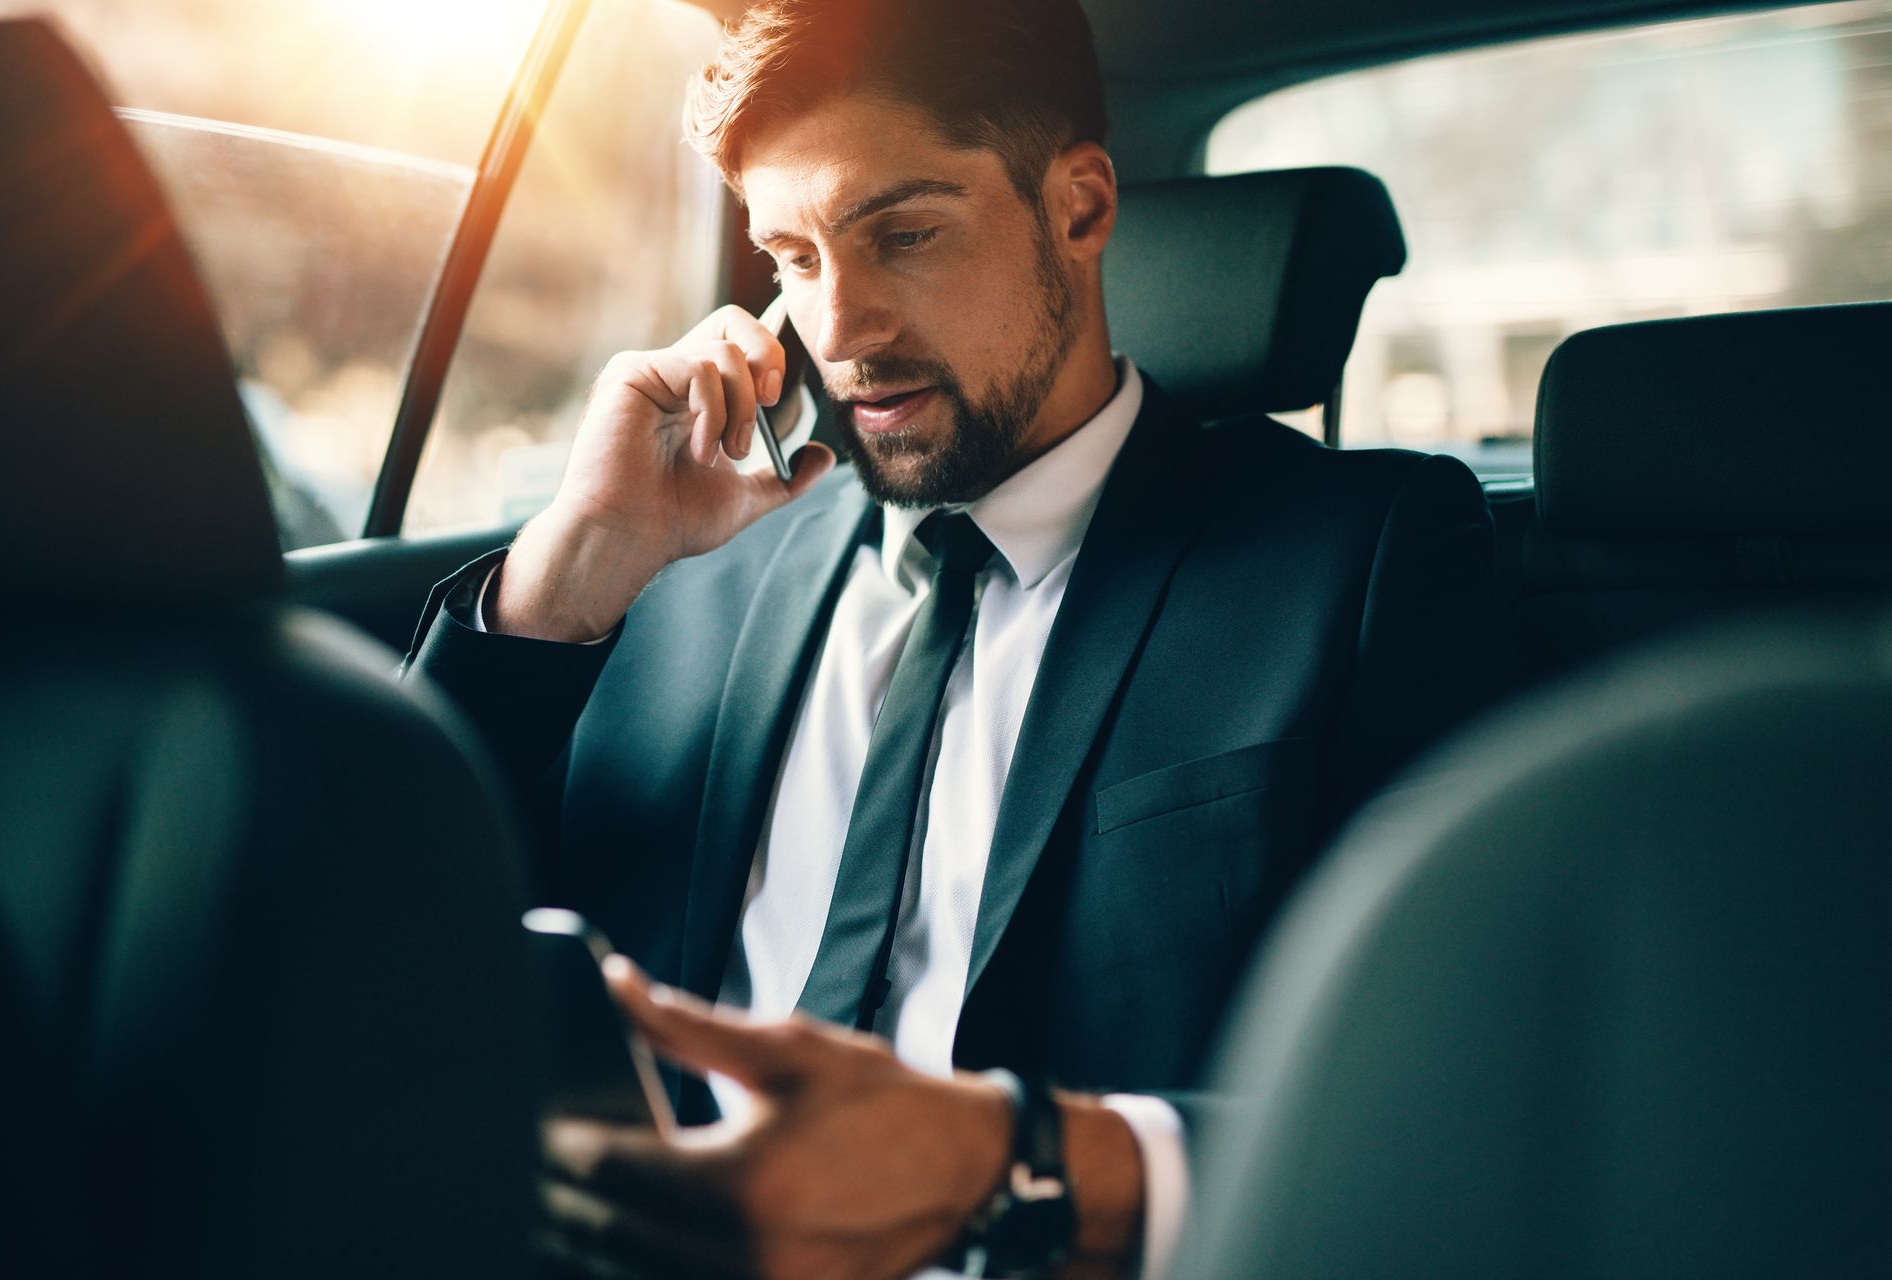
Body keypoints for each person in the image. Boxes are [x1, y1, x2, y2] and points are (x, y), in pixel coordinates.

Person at [405, 0, 1508, 1274]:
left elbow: (1468, 1106)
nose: (843, 329)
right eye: (795, 258)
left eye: (906, 234)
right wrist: (569, 572)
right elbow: (357, 925)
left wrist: (1008, 1161)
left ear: (1081, 207)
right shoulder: (681, 570)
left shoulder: (1355, 561)